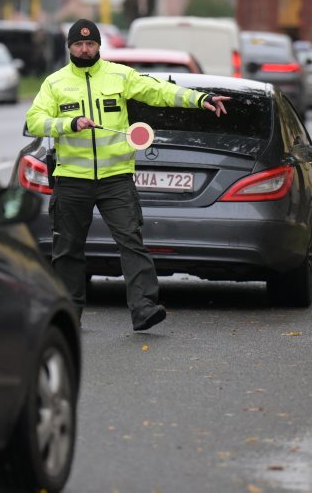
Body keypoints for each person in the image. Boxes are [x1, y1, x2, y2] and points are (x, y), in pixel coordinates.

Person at [26, 19, 230, 331]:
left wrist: (200, 99)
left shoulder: (120, 75)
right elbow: (35, 120)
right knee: (67, 250)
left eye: (90, 44)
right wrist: (69, 124)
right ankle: (68, 314)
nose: (84, 49)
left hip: (115, 178)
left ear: (99, 46)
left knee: (131, 242)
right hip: (72, 180)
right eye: (78, 44)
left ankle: (145, 308)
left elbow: (159, 92)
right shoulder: (54, 83)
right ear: (69, 47)